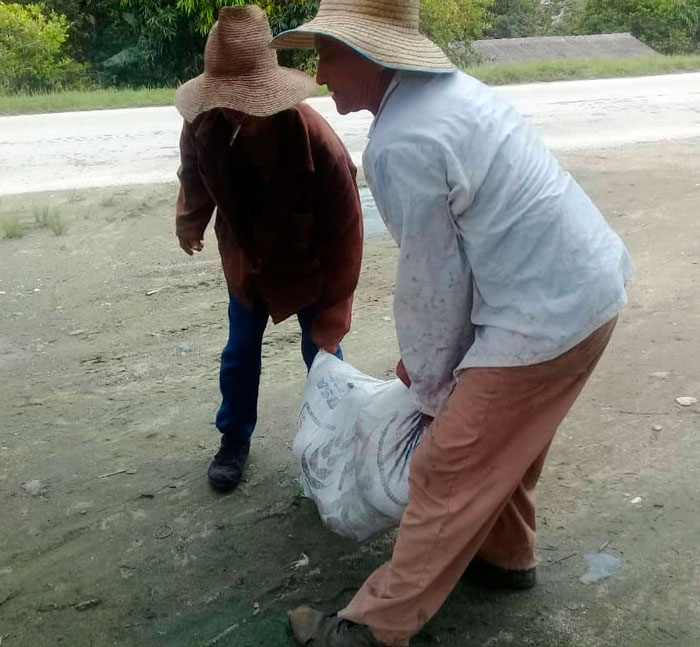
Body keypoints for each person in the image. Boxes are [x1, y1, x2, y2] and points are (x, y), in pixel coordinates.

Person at [271, 1, 634, 645]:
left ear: (369, 52)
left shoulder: (402, 140)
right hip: (586, 288)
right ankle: (504, 557)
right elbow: (459, 261)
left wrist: (432, 385)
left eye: (327, 55)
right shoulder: (450, 96)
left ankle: (371, 631)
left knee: (446, 464)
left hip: (544, 314)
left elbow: (433, 283)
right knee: (503, 443)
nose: (321, 76)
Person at [175, 5, 363, 493]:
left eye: (247, 99)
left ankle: (338, 434)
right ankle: (233, 438)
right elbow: (193, 174)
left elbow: (346, 231)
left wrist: (336, 306)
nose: (236, 109)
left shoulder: (318, 142)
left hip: (306, 264)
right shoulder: (201, 122)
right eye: (227, 99)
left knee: (322, 351)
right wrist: (190, 220)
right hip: (246, 260)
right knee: (239, 353)